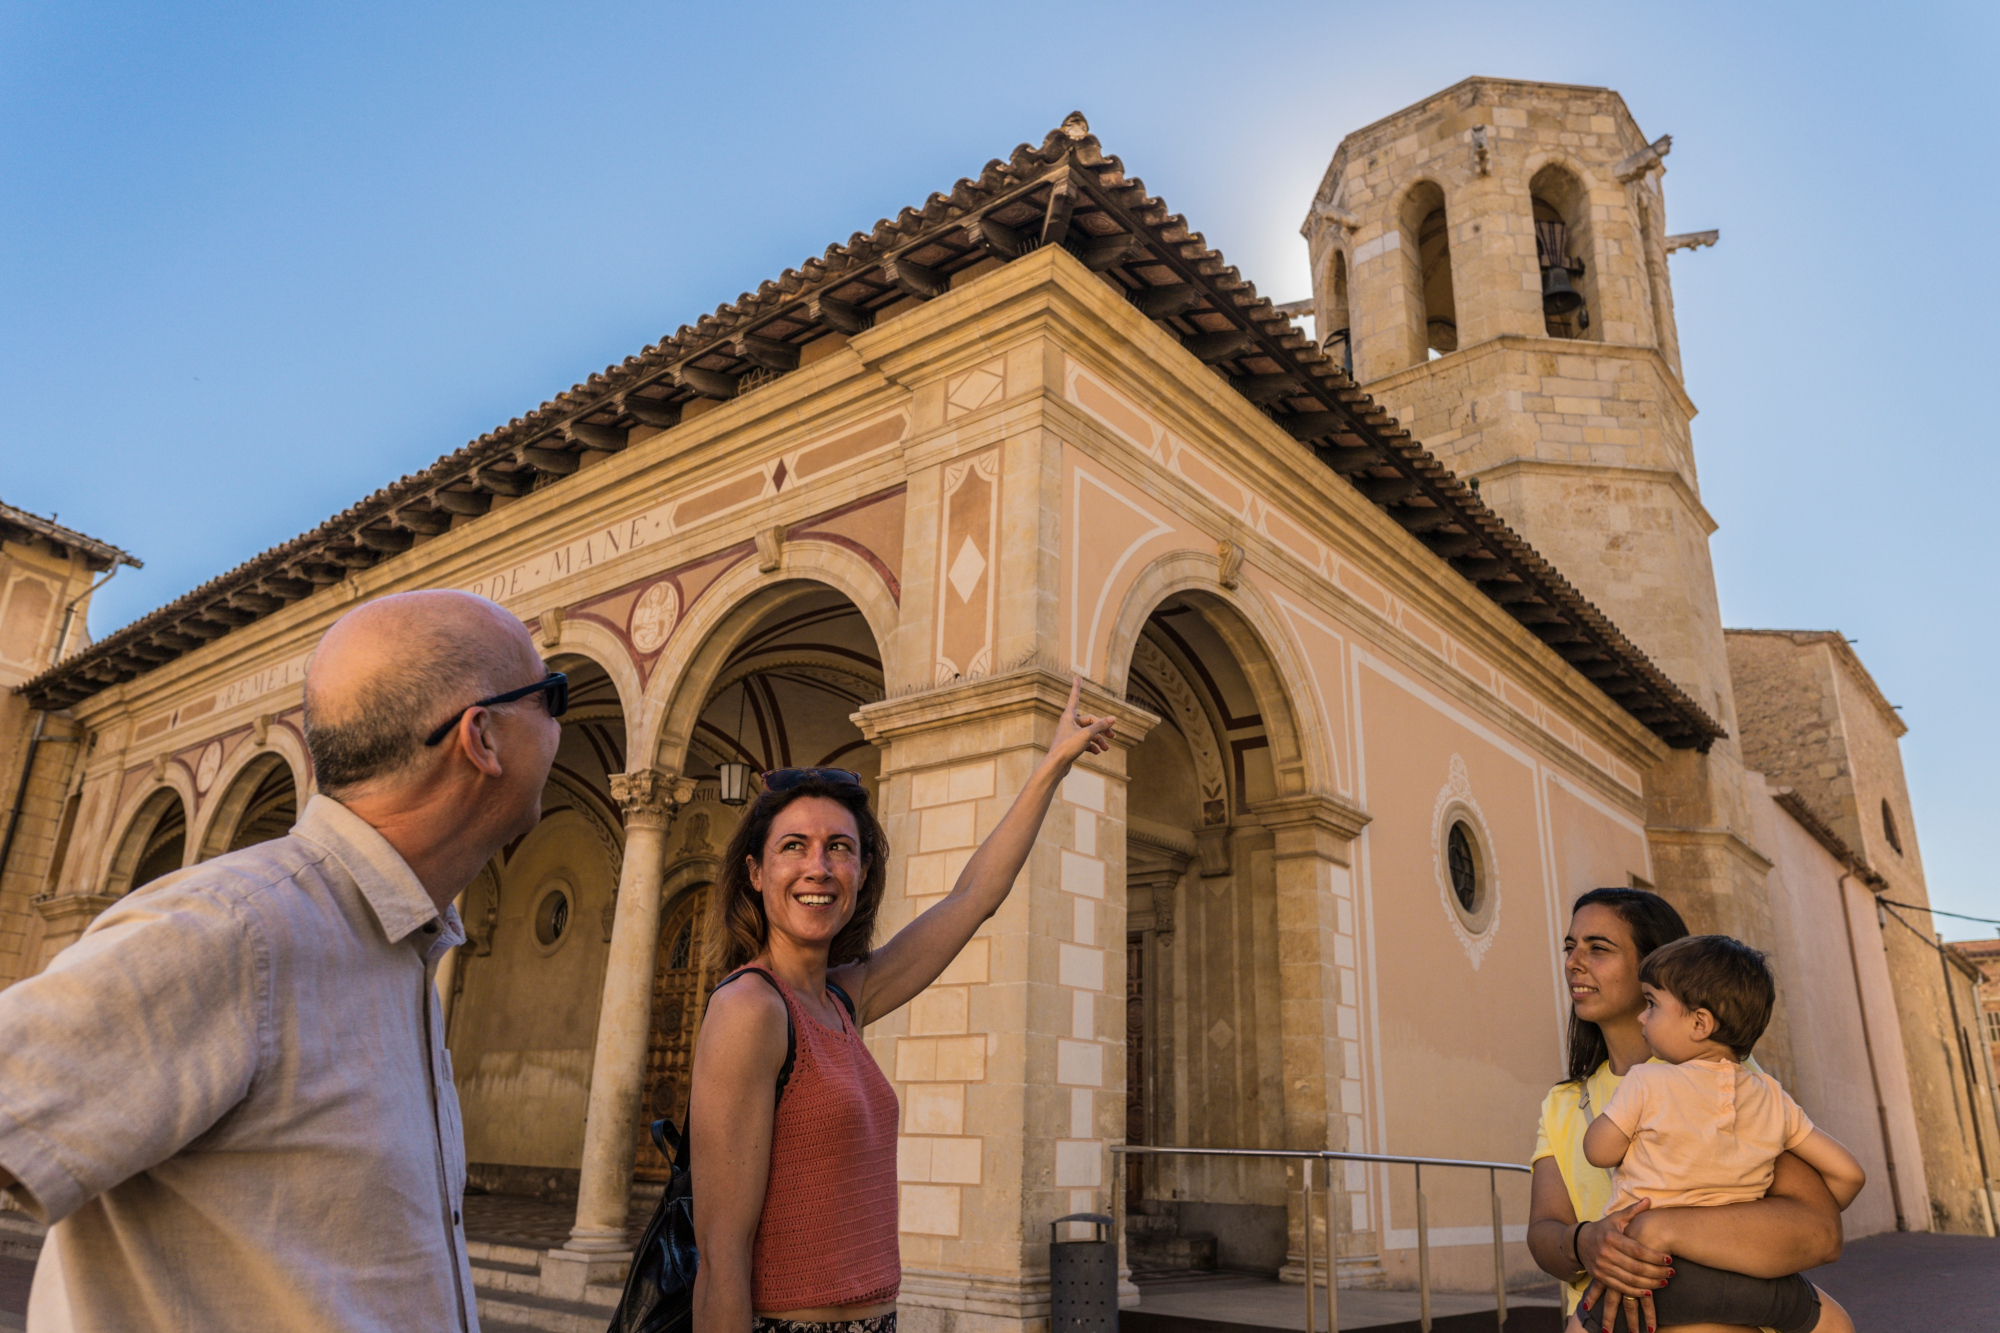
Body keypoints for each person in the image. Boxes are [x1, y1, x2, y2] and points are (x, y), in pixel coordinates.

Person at [0, 589, 564, 1332]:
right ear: (481, 737)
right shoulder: (236, 932)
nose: (563, 722)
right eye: (551, 696)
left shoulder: (392, 947)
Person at [690, 677, 1116, 1333]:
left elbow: (973, 897)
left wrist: (1051, 765)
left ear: (862, 872)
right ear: (754, 871)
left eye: (840, 847)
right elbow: (720, 1261)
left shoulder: (840, 999)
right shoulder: (752, 1008)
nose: (819, 867)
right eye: (793, 846)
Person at [1526, 888, 1849, 1333]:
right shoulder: (1562, 1104)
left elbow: (1818, 1232)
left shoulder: (1729, 1077)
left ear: (1656, 964)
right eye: (1570, 946)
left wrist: (1663, 1229)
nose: (1573, 962)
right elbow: (1544, 1231)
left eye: (1598, 948)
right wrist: (1585, 1242)